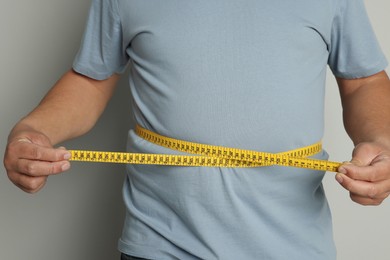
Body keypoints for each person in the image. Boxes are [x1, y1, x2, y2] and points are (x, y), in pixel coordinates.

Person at [3, 0, 390, 259]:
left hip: (294, 246)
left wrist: (380, 141)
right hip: (160, 243)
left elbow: (363, 80)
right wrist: (35, 129)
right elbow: (91, 79)